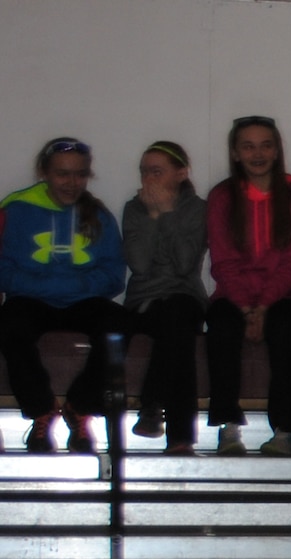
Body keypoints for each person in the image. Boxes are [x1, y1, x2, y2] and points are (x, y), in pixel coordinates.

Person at [0, 137, 126, 454]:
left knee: (118, 324)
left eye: (80, 174)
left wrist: (73, 287)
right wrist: (47, 286)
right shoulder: (15, 210)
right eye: (62, 174)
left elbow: (113, 276)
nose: (72, 183)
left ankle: (79, 408)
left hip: (81, 300)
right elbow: (3, 269)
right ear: (44, 172)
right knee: (10, 325)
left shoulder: (99, 216)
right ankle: (41, 411)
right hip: (30, 300)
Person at [204, 116, 291, 457]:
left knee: (285, 327)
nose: (258, 153)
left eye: (266, 145)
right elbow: (223, 261)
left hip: (282, 295)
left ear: (277, 150)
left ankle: (287, 429)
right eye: (248, 146)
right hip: (233, 295)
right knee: (220, 325)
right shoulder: (222, 197)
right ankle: (227, 427)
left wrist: (264, 305)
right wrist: (245, 306)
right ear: (235, 153)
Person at [120, 141, 208, 455]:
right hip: (143, 300)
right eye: (144, 171)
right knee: (172, 329)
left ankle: (157, 410)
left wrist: (167, 214)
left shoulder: (198, 209)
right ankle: (176, 432)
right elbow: (140, 266)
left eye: (157, 171)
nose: (149, 179)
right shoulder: (134, 208)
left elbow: (185, 264)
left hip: (184, 296)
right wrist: (152, 216)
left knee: (178, 320)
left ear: (181, 173)